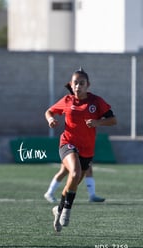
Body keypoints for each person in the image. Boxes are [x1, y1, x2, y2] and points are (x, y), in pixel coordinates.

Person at [45, 67, 116, 232]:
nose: (78, 86)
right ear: (71, 84)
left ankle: (59, 209)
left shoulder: (96, 102)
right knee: (75, 173)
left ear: (88, 85)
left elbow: (113, 120)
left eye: (81, 83)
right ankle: (67, 212)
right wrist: (50, 119)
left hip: (87, 149)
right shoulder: (67, 100)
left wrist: (98, 122)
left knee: (73, 182)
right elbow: (49, 111)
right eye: (75, 83)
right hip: (67, 143)